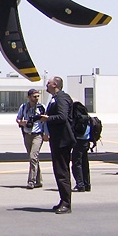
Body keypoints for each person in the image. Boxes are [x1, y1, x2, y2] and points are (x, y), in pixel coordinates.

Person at [44, 77, 75, 214]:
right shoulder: (54, 98)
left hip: (63, 140)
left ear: (55, 84)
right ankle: (63, 200)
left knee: (62, 172)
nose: (46, 84)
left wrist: (48, 119)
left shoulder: (62, 97)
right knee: (58, 171)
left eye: (48, 82)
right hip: (56, 140)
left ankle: (66, 204)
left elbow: (62, 117)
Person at [16, 89, 46, 189]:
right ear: (29, 97)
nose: (36, 98)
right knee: (33, 158)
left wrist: (46, 133)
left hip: (37, 135)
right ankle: (39, 180)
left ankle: (31, 181)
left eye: (38, 96)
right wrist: (21, 122)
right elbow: (18, 118)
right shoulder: (23, 107)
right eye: (34, 96)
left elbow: (46, 121)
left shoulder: (41, 107)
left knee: (33, 157)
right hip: (27, 134)